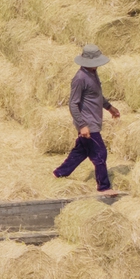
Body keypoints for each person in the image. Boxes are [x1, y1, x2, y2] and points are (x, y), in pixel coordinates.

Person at [53, 44, 120, 192]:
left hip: (93, 121)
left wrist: (109, 107)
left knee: (81, 151)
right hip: (88, 123)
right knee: (100, 154)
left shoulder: (93, 73)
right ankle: (104, 187)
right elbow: (73, 103)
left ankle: (59, 173)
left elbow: (96, 95)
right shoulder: (80, 78)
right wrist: (82, 125)